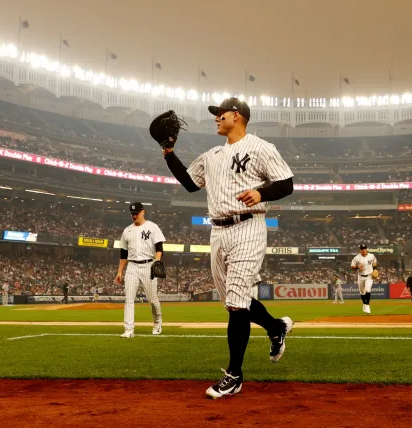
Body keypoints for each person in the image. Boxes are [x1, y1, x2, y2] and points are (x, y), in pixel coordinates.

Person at [158, 98, 295, 399]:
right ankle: (276, 328)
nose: (216, 119)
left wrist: (261, 192)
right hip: (218, 232)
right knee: (238, 301)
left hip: (248, 227)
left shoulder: (260, 147)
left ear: (237, 115)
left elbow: (286, 183)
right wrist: (169, 153)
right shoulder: (212, 155)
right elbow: (191, 184)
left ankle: (234, 376)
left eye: (220, 114)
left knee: (236, 303)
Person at [114, 202, 165, 338]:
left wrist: (157, 262)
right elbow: (123, 254)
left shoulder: (152, 227)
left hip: (149, 265)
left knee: (152, 299)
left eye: (136, 213)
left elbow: (159, 247)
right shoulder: (127, 231)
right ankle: (129, 330)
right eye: (132, 213)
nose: (134, 215)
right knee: (129, 299)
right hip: (132, 266)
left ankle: (157, 321)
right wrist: (120, 271)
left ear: (143, 212)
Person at [351, 244, 377, 314]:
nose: (363, 250)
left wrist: (375, 269)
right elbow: (352, 266)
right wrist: (357, 267)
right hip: (361, 276)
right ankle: (364, 304)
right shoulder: (356, 258)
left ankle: (367, 305)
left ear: (367, 249)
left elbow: (374, 262)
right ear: (360, 250)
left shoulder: (371, 256)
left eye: (365, 249)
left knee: (368, 289)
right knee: (362, 292)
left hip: (369, 276)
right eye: (362, 249)